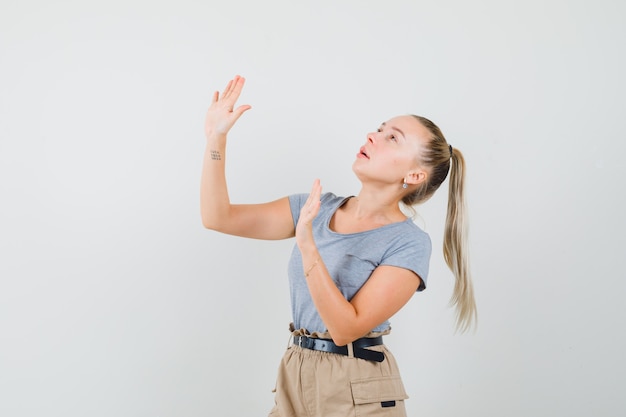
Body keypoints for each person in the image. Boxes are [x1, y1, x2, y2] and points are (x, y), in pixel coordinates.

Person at [201, 75, 477, 417]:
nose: (373, 136)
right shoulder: (315, 208)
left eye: (393, 138)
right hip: (295, 373)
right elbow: (218, 217)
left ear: (414, 176)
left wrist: (308, 246)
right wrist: (217, 138)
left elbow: (345, 328)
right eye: (379, 128)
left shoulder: (409, 244)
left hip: (357, 387)